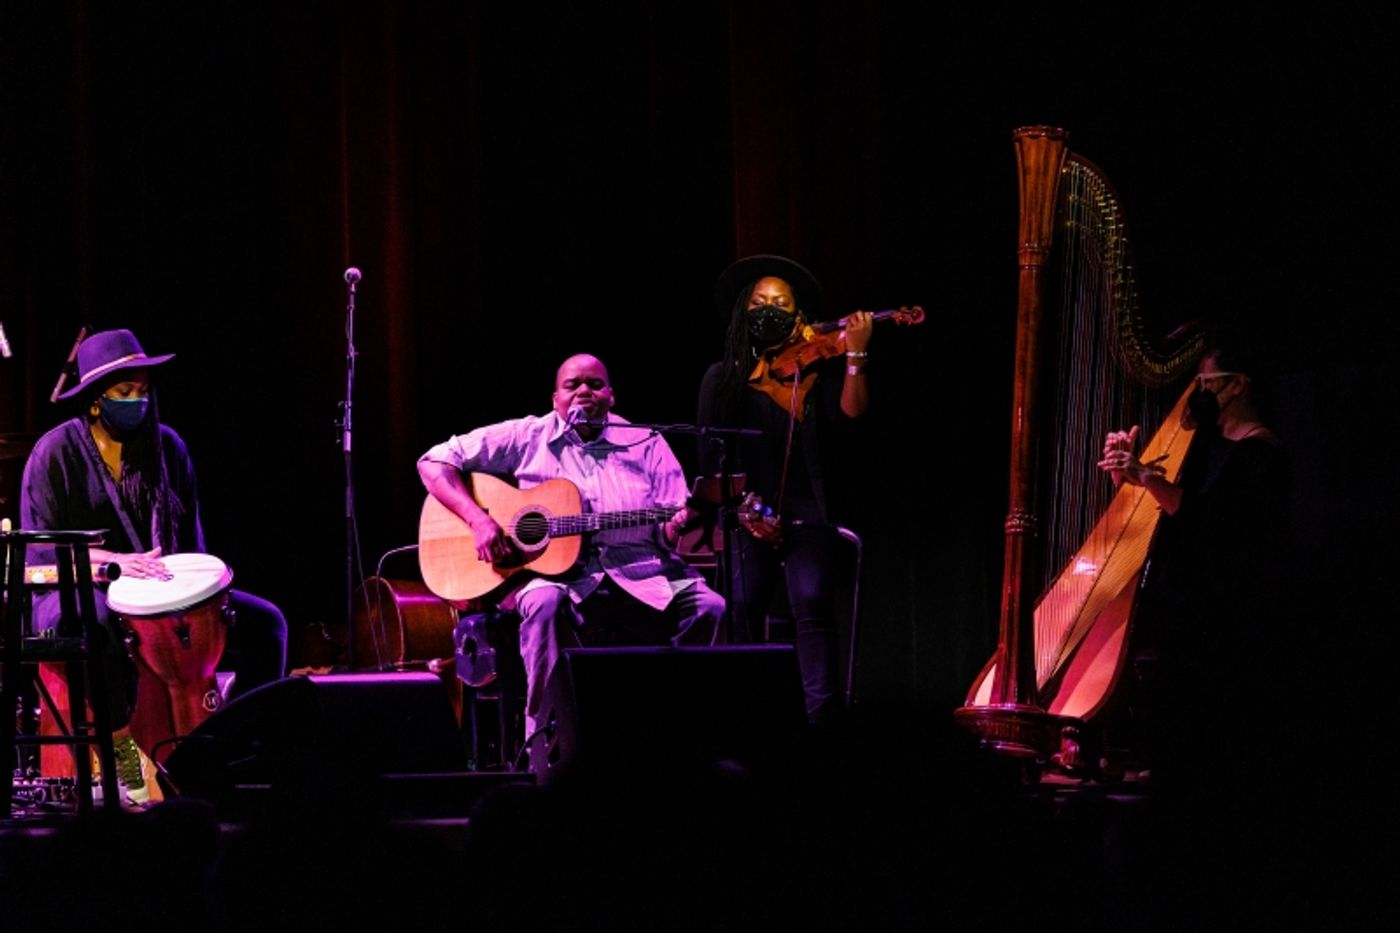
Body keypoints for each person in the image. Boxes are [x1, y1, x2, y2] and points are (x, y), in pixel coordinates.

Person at [417, 352, 726, 776]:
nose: (584, 391)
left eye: (595, 384)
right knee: (543, 603)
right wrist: (479, 520)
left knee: (710, 607)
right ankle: (542, 747)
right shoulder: (527, 435)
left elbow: (671, 528)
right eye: (572, 385)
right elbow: (433, 462)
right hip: (555, 577)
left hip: (641, 571)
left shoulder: (646, 441)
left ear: (611, 396)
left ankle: (674, 728)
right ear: (555, 397)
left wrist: (678, 526)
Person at [20, 328, 289, 802]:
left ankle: (237, 744)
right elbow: (39, 563)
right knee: (97, 624)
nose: (138, 402)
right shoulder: (53, 454)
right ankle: (124, 757)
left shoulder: (167, 448)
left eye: (143, 391)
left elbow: (189, 545)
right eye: (125, 393)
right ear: (96, 401)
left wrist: (198, 596)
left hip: (154, 592)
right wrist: (113, 565)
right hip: (72, 591)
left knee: (268, 626)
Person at [696, 254, 874, 730]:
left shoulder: (818, 373)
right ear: (743, 311)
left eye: (781, 303)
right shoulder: (724, 378)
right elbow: (711, 458)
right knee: (741, 605)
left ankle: (822, 723)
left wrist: (856, 355)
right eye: (759, 302)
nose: (769, 310)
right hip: (746, 515)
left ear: (799, 317)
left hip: (808, 513)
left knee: (812, 602)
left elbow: (852, 419)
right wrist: (748, 510)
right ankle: (749, 721)